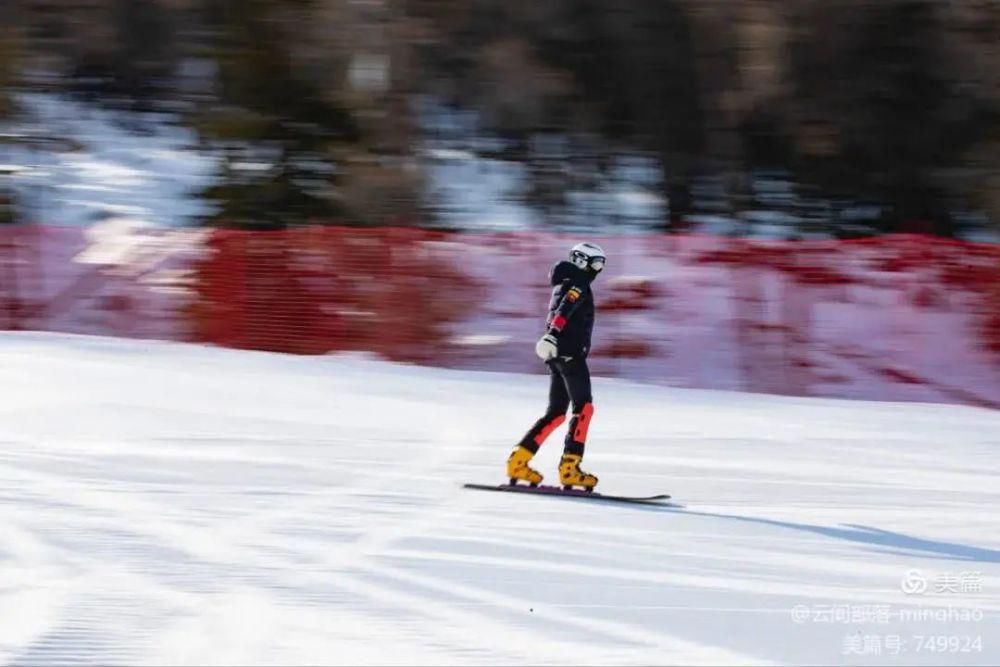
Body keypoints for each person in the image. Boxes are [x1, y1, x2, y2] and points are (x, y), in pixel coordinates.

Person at [506, 242, 606, 490]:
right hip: (570, 353)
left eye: (600, 265)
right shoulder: (578, 282)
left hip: (557, 354)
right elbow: (566, 308)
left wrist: (552, 337)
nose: (597, 270)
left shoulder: (564, 282)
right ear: (581, 260)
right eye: (595, 263)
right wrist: (553, 334)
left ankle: (519, 460)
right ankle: (570, 468)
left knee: (556, 412)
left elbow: (560, 309)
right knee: (584, 408)